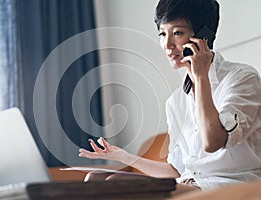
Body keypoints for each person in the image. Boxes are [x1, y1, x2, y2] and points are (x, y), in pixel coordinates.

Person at [79, 0, 261, 195]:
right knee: (95, 180)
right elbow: (175, 170)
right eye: (162, 34)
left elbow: (212, 141)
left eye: (177, 33)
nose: (167, 45)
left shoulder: (241, 78)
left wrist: (200, 77)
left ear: (204, 36)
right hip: (190, 182)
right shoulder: (176, 102)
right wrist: (123, 156)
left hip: (233, 184)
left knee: (117, 183)